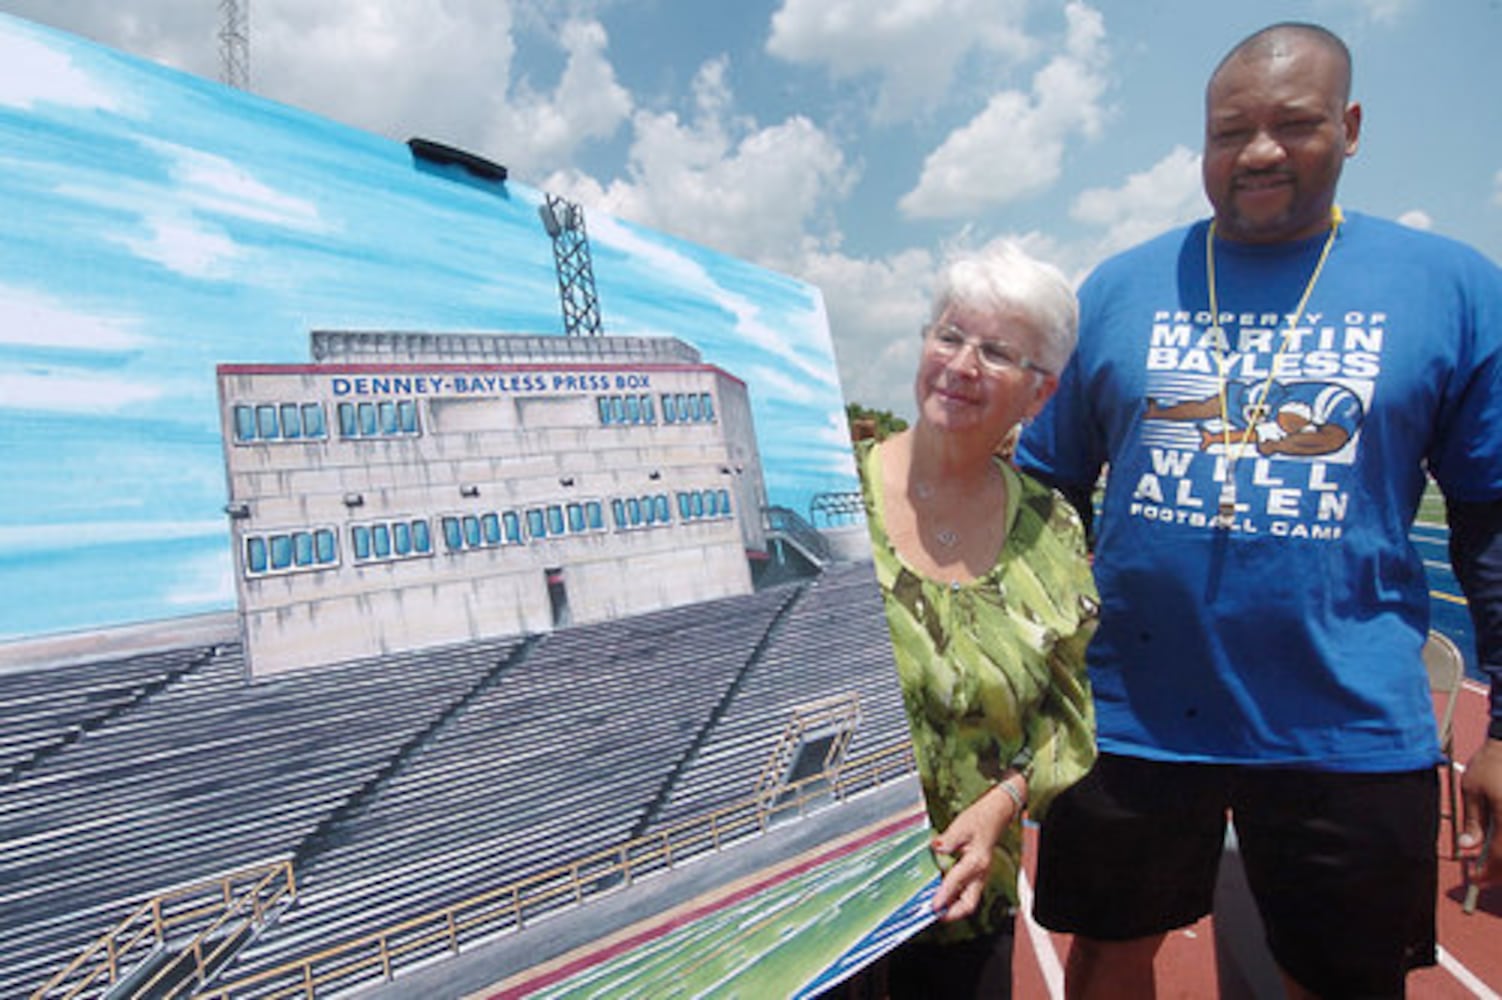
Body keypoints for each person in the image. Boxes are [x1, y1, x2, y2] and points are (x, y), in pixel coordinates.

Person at [1016, 21, 1502, 1000]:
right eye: (1230, 131)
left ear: (1349, 126)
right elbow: (1046, 487)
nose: (1259, 151)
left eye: (1294, 123)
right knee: (1106, 956)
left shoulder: (1451, 287)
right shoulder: (1117, 288)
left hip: (1347, 724)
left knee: (1344, 980)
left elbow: (1489, 521)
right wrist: (1040, 663)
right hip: (1132, 715)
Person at [856, 243, 1097, 997]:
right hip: (820, 907)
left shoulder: (1053, 530)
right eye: (950, 336)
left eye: (996, 353)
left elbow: (1068, 718)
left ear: (1039, 394)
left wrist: (1004, 804)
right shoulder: (829, 498)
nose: (961, 365)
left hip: (963, 897)